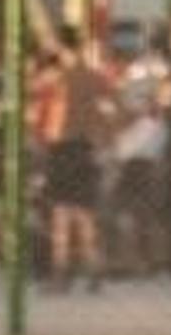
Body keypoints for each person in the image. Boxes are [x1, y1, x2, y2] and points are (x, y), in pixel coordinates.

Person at [28, 29, 118, 291]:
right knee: (85, 213)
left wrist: (40, 143)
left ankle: (61, 273)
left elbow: (39, 115)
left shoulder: (56, 79)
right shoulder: (93, 77)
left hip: (62, 147)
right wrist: (104, 134)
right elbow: (115, 105)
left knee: (61, 214)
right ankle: (93, 269)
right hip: (84, 146)